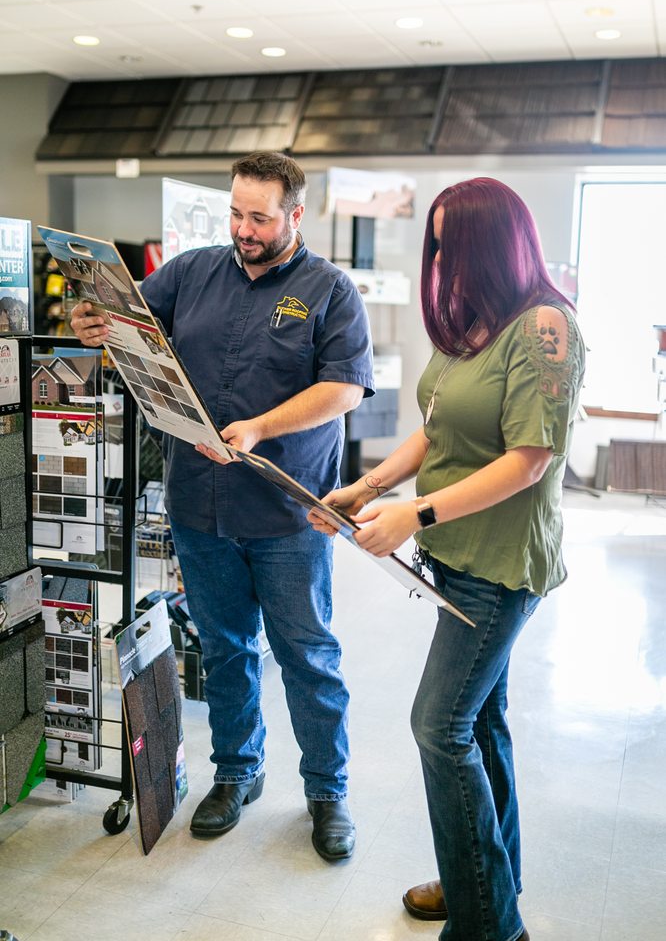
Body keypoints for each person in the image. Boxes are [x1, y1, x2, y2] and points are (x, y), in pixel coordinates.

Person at [70, 151, 374, 861]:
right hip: (198, 505)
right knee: (226, 650)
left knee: (306, 654)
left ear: (296, 215)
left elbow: (346, 389)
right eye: (235, 213)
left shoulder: (330, 290)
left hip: (286, 514)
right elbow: (130, 322)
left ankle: (327, 792)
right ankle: (237, 772)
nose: (243, 229)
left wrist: (264, 426)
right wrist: (97, 325)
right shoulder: (193, 272)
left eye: (259, 218)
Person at [310, 177, 585, 938]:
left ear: (495, 244)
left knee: (440, 727)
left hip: (501, 567)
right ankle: (488, 879)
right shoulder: (476, 323)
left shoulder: (543, 329)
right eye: (434, 245)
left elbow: (528, 459)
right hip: (458, 559)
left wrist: (415, 512)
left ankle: (486, 922)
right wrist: (364, 488)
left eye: (450, 246)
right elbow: (435, 429)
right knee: (481, 723)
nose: (440, 260)